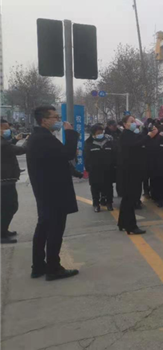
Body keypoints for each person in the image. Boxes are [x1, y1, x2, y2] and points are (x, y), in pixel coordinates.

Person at [27, 106, 80, 280]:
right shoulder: (43, 138)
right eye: (55, 117)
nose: (58, 120)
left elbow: (59, 158)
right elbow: (68, 154)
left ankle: (38, 266)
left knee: (43, 228)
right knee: (55, 230)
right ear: (44, 120)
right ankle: (53, 268)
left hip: (46, 192)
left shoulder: (39, 137)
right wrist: (70, 133)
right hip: (54, 193)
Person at [117, 115, 157, 235]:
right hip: (129, 172)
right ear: (125, 124)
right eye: (131, 121)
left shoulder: (131, 134)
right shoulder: (125, 136)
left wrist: (149, 133)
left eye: (135, 121)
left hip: (134, 170)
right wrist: (149, 136)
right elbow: (136, 144)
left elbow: (140, 139)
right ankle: (131, 226)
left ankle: (122, 223)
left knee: (127, 199)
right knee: (130, 199)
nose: (134, 123)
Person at [1, 119, 27, 244]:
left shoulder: (3, 142)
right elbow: (21, 150)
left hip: (5, 179)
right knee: (9, 207)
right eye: (5, 128)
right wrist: (28, 141)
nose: (8, 130)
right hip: (5, 180)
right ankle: (1, 234)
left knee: (7, 207)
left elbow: (8, 147)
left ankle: (3, 231)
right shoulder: (3, 143)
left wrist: (15, 140)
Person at [84, 124, 116, 212]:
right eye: (98, 133)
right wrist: (88, 168)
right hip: (94, 170)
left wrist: (114, 165)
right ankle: (96, 204)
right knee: (95, 187)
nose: (100, 134)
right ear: (93, 134)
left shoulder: (108, 142)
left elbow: (113, 154)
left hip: (107, 169)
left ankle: (109, 203)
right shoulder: (89, 143)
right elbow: (86, 157)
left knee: (108, 187)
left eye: (101, 132)